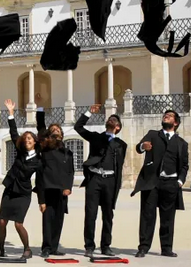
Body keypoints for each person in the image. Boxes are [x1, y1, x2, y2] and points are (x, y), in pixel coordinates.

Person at [132, 109, 188, 258]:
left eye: (169, 116)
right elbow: (138, 148)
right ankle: (143, 247)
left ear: (175, 123)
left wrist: (180, 181)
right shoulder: (152, 134)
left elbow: (184, 165)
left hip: (171, 184)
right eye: (165, 115)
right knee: (147, 216)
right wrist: (143, 146)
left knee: (168, 218)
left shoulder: (182, 143)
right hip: (152, 182)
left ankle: (166, 248)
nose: (165, 117)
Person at [74, 103, 126, 258]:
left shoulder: (121, 145)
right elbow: (78, 127)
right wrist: (88, 113)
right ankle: (89, 246)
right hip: (95, 178)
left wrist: (117, 186)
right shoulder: (96, 137)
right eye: (110, 118)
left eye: (114, 120)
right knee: (90, 213)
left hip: (110, 180)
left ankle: (106, 246)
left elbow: (120, 166)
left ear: (118, 127)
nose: (111, 120)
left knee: (108, 214)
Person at [0, 99, 43, 260]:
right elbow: (14, 133)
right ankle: (1, 249)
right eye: (26, 139)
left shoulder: (38, 160)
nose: (27, 140)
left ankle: (27, 249)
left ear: (35, 142)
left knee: (18, 223)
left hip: (23, 193)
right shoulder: (21, 151)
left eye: (30, 139)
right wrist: (10, 114)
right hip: (10, 189)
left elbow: (41, 182)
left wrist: (42, 201)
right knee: (2, 221)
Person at [36, 107, 73, 258]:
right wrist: (40, 109)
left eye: (58, 129)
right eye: (53, 129)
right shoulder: (45, 149)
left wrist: (68, 187)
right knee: (47, 219)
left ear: (62, 135)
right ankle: (46, 247)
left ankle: (54, 247)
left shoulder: (67, 152)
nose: (56, 130)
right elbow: (40, 128)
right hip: (48, 188)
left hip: (62, 191)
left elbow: (70, 172)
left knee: (59, 219)